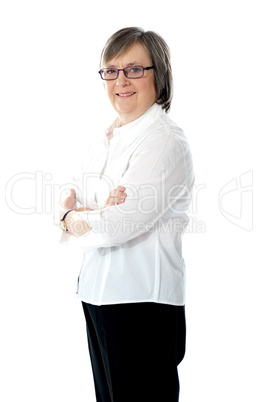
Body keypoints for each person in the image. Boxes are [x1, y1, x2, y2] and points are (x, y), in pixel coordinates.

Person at [58, 27, 195, 402]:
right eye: (112, 70)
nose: (121, 80)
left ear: (159, 76)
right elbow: (68, 198)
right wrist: (91, 211)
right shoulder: (106, 138)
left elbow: (118, 225)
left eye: (135, 69)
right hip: (97, 296)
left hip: (141, 305)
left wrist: (74, 218)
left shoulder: (164, 141)